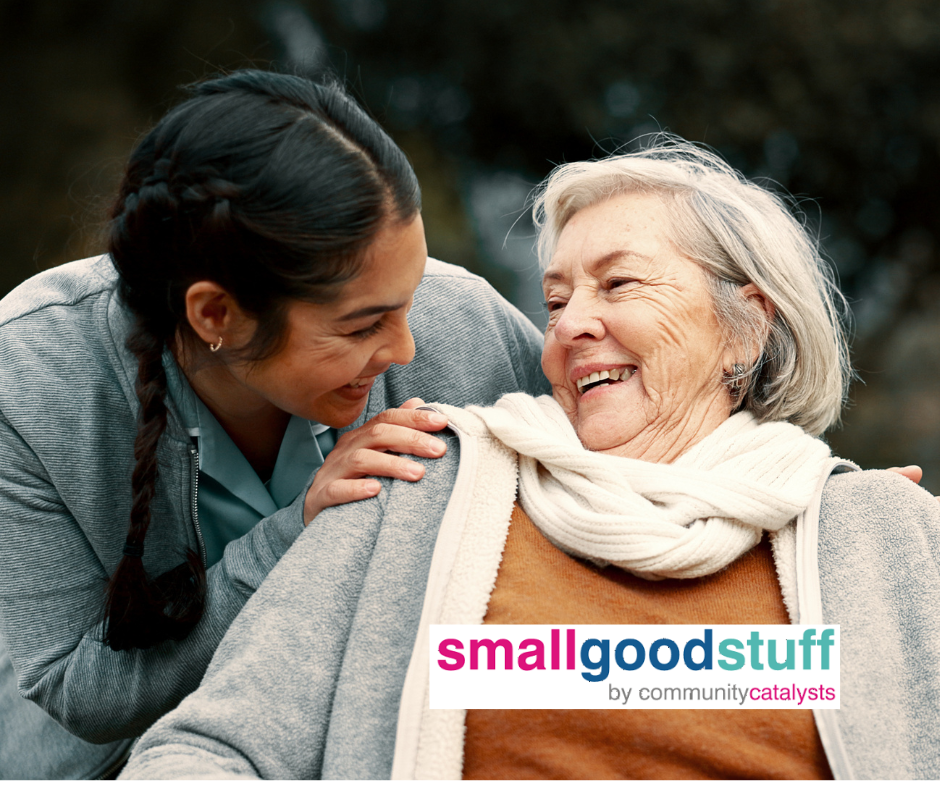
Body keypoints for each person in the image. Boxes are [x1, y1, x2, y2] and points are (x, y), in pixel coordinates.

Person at [120, 140, 940, 781]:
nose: (572, 323)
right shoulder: (416, 489)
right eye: (554, 301)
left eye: (619, 286)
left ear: (747, 328)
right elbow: (207, 752)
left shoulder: (878, 535)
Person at [0, 70, 548, 779]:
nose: (406, 350)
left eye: (409, 300)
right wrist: (300, 530)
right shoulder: (29, 378)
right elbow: (81, 691)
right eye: (362, 326)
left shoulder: (461, 324)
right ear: (215, 316)